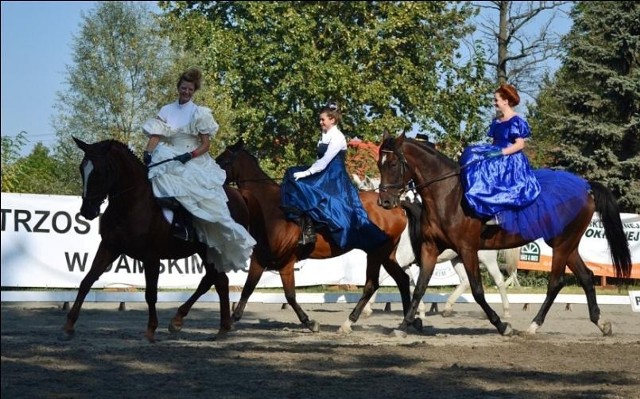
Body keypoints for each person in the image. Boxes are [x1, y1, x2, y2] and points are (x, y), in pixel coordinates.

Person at [142, 67, 256, 273]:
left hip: (191, 156)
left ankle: (184, 227)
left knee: (187, 189)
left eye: (190, 89)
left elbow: (206, 145)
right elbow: (155, 136)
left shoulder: (199, 113)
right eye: (184, 88)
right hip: (166, 153)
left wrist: (190, 155)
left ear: (194, 91)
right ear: (178, 88)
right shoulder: (166, 110)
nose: (186, 92)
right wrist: (147, 153)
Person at [459, 83, 589, 240]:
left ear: (506, 101)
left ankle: (498, 214)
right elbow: (494, 142)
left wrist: (501, 153)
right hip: (497, 155)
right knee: (473, 156)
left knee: (502, 185)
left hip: (511, 159)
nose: (494, 103)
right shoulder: (497, 122)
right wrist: (488, 154)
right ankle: (481, 210)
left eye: (496, 100)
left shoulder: (515, 121)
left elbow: (520, 144)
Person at [280, 102, 389, 250]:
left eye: (322, 119)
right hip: (323, 172)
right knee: (291, 173)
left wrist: (306, 173)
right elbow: (319, 160)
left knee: (298, 180)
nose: (320, 122)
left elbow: (324, 161)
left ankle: (309, 229)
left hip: (333, 176)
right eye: (320, 119)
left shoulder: (338, 137)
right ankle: (302, 222)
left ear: (332, 120)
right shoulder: (324, 135)